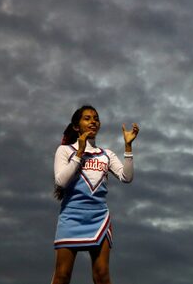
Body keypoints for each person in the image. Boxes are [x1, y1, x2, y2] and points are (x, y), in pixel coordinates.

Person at [51, 105, 140, 284]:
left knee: (102, 274)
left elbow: (126, 177)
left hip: (99, 218)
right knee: (62, 275)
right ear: (76, 126)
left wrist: (128, 146)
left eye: (96, 118)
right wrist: (79, 153)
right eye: (87, 118)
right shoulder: (65, 151)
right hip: (71, 216)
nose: (93, 121)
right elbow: (61, 181)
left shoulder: (106, 155)